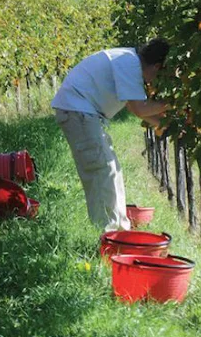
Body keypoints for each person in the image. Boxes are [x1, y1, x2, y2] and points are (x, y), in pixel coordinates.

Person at [51, 39, 170, 231]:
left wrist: (165, 124)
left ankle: (119, 230)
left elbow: (134, 108)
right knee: (102, 171)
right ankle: (108, 234)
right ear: (157, 66)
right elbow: (139, 109)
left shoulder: (128, 59)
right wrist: (173, 104)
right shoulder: (129, 64)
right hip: (78, 111)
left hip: (82, 112)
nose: (154, 81)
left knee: (111, 169)